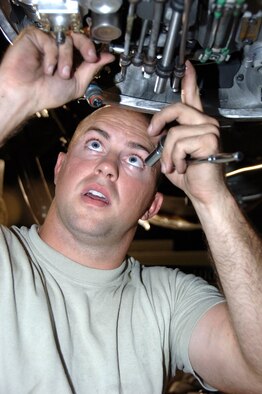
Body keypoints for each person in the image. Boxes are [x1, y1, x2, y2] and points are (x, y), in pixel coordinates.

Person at [0, 26, 261, 394]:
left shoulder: (168, 301)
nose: (108, 166)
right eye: (94, 144)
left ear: (151, 206)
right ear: (60, 168)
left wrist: (213, 199)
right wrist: (10, 99)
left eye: (136, 159)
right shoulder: (6, 261)